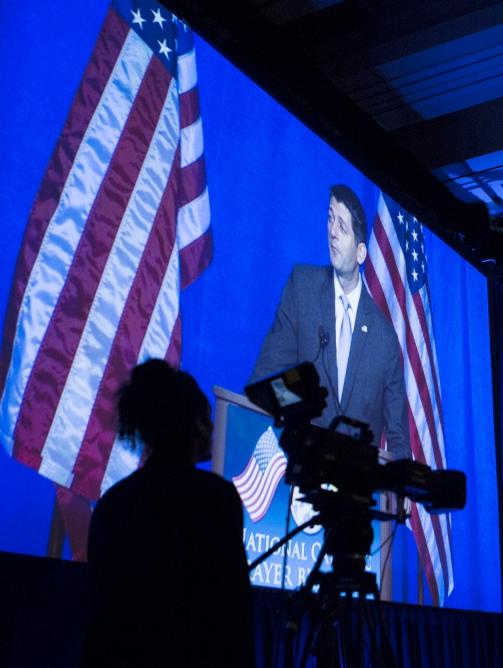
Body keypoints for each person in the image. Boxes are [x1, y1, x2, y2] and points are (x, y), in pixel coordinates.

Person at [83, 359, 254, 668]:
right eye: (208, 418)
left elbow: (101, 616)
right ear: (196, 425)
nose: (214, 428)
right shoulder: (215, 499)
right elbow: (233, 614)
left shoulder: (113, 503)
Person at [249, 185, 410, 460]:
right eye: (330, 218)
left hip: (356, 489)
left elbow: (398, 439)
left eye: (342, 227)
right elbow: (264, 380)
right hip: (298, 474)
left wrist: (399, 496)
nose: (332, 231)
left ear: (361, 253)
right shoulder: (302, 289)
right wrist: (298, 402)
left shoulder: (385, 339)